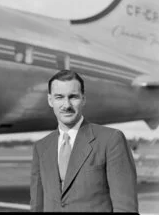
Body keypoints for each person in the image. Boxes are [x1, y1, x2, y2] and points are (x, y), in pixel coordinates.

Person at [30, 70, 138, 212]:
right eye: (59, 97)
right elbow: (37, 206)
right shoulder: (41, 147)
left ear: (83, 99)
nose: (66, 105)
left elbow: (126, 208)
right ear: (50, 100)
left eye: (73, 97)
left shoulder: (111, 140)